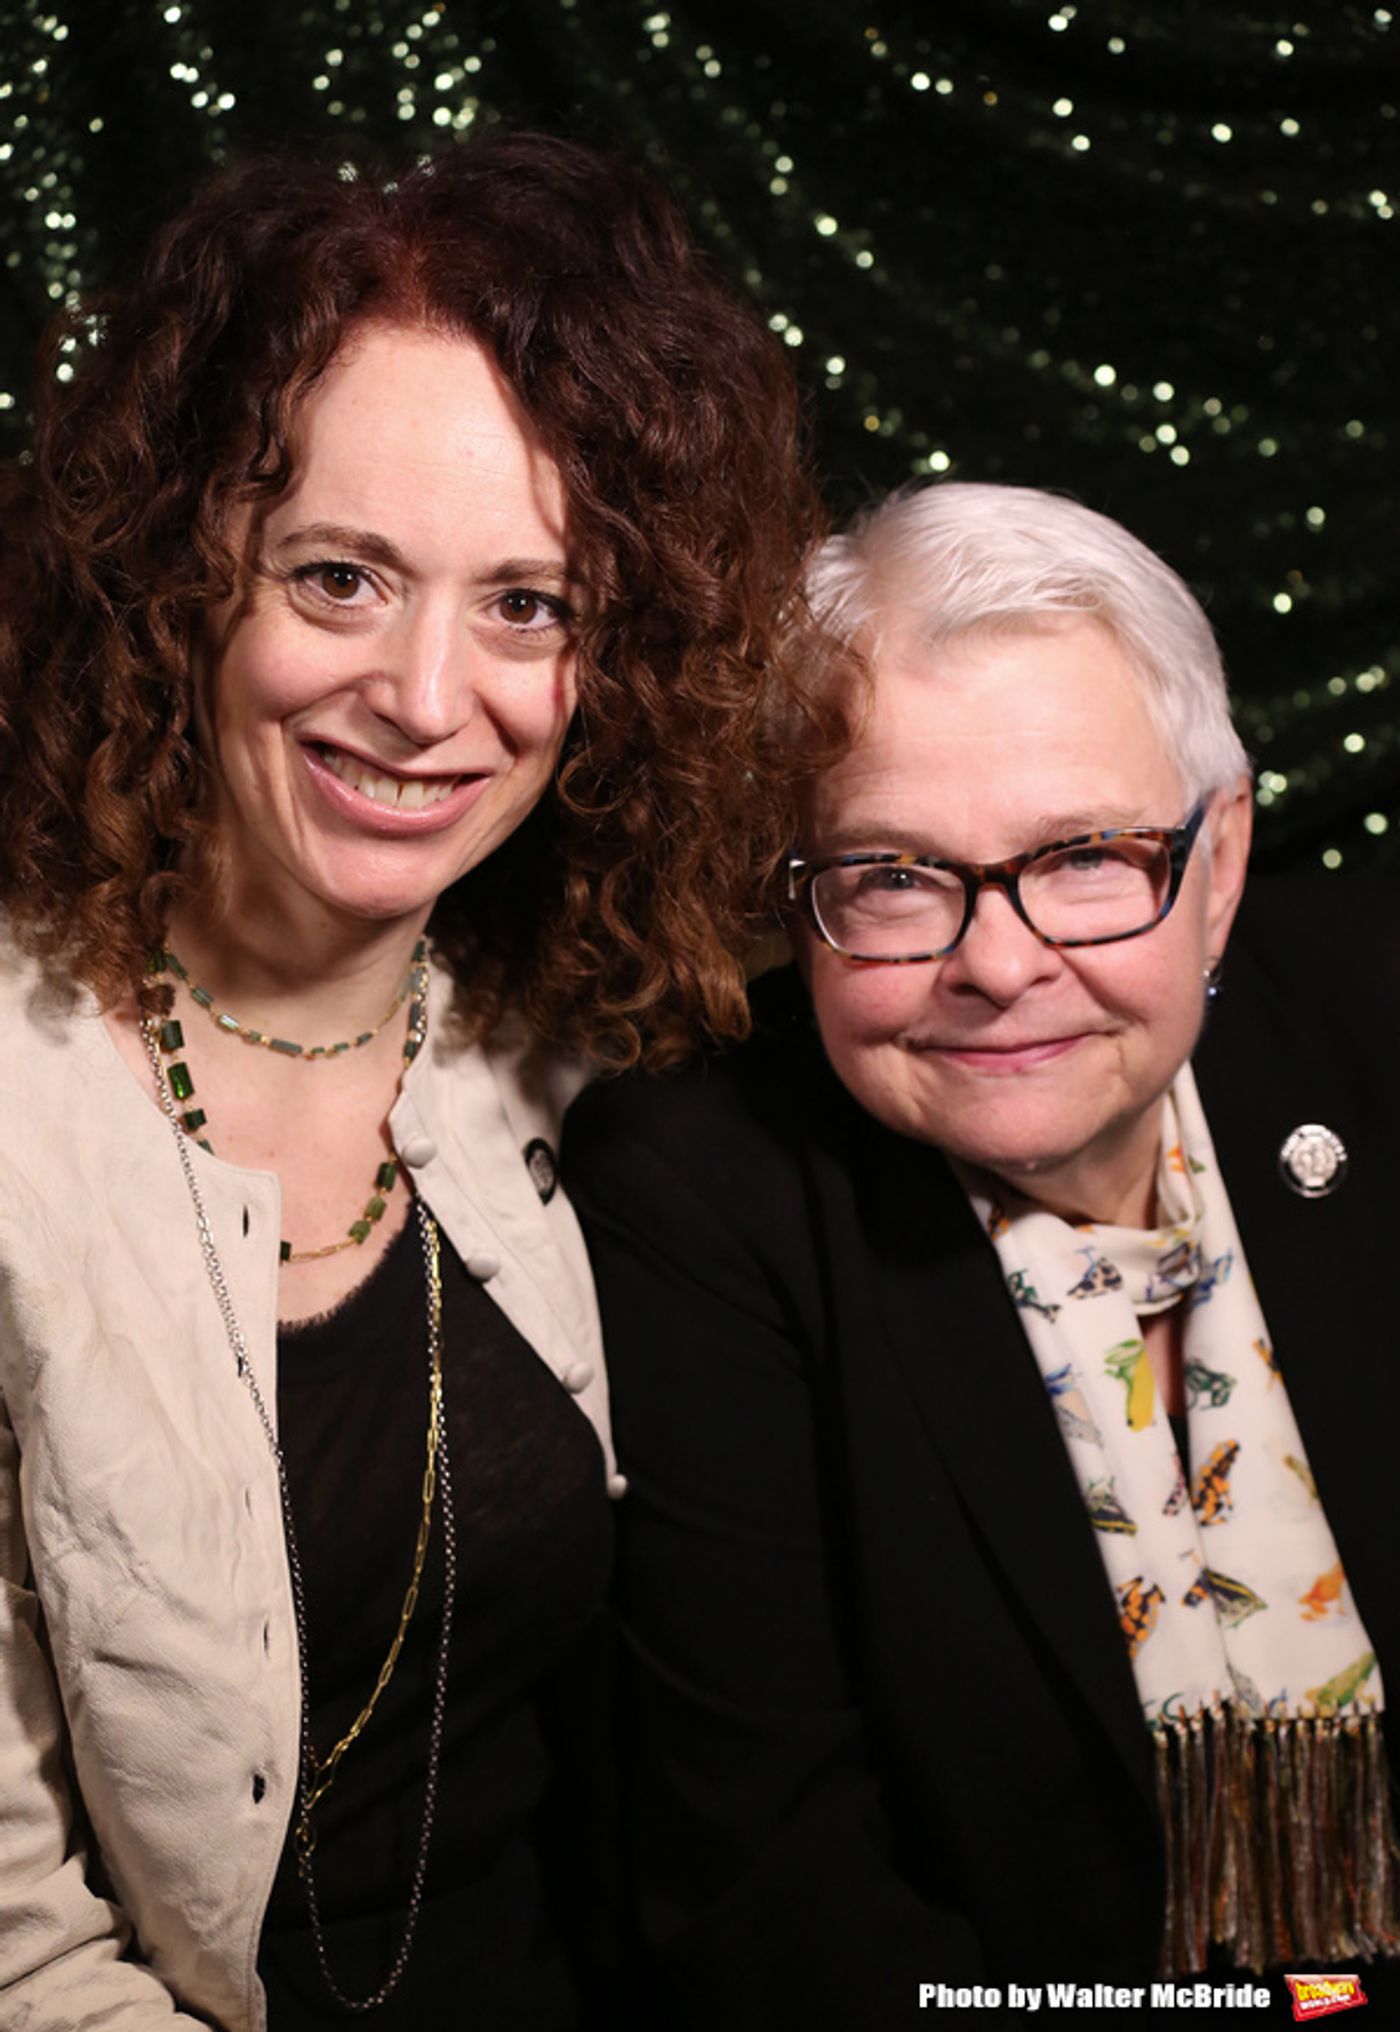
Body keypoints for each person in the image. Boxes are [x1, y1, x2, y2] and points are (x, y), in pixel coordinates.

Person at [0, 135, 824, 2031]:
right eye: (343, 577)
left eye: (529, 604)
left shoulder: (590, 1048)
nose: (429, 695)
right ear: (179, 571)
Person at [565, 482, 1400, 2025]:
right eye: (893, 875)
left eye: (1086, 855)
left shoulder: (1375, 1007)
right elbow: (773, 1897)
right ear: (800, 898)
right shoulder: (697, 1189)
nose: (1000, 965)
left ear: (1219, 870)